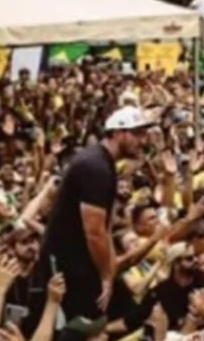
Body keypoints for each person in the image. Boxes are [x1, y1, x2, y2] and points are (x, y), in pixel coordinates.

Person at [41, 107, 151, 319]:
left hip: (80, 261)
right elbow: (94, 232)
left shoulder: (102, 163)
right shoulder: (96, 168)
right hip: (68, 264)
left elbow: (105, 227)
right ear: (118, 133)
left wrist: (109, 271)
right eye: (136, 134)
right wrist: (106, 276)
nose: (142, 140)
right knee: (86, 327)